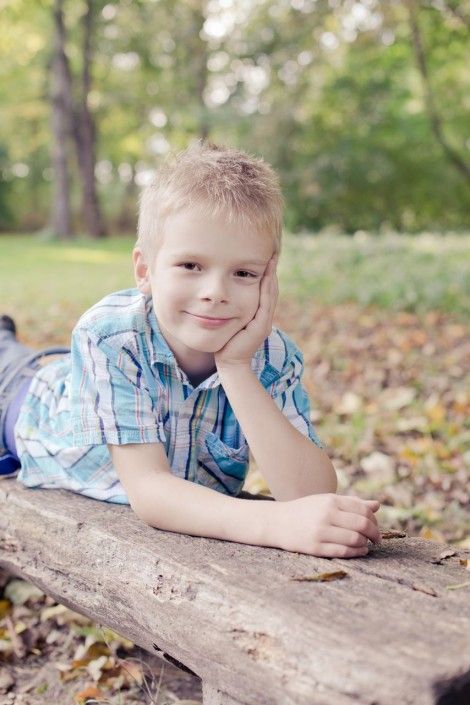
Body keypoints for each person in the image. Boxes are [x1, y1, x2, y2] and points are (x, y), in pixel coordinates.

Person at [0, 142, 381, 558]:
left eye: (243, 273)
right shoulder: (110, 336)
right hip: (18, 397)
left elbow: (308, 493)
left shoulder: (271, 358)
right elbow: (150, 490)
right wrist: (275, 523)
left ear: (268, 280)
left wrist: (236, 366)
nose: (215, 293)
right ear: (145, 270)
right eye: (191, 266)